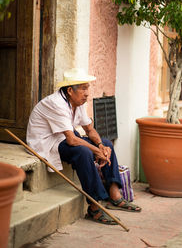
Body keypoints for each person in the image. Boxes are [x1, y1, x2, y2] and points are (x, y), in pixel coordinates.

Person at [26, 68, 141, 225]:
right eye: (83, 88)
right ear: (70, 91)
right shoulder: (56, 103)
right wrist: (96, 151)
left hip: (63, 138)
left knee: (107, 143)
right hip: (46, 142)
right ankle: (94, 207)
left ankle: (115, 194)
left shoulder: (77, 102)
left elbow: (89, 129)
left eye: (88, 88)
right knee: (83, 151)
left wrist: (100, 146)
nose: (87, 93)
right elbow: (72, 140)